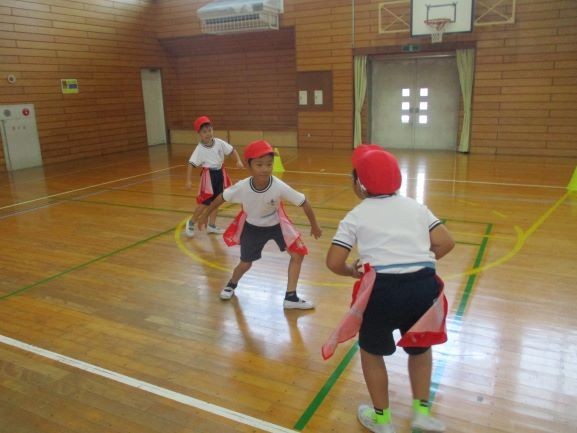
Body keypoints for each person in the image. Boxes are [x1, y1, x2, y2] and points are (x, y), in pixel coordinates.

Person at [325, 144, 455, 433]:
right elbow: (446, 242)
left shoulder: (356, 215)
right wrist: (419, 262)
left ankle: (382, 420)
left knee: (372, 353)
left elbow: (334, 261)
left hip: (380, 292)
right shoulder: (417, 207)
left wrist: (351, 271)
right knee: (421, 350)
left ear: (359, 184)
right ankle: (422, 414)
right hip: (423, 289)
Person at [197, 139, 322, 309]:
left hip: (277, 225)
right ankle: (231, 284)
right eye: (259, 164)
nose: (265, 169)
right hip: (252, 228)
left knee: (297, 255)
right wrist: (205, 214)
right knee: (245, 263)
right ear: (249, 167)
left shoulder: (278, 186)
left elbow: (304, 202)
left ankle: (290, 297)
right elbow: (220, 198)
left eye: (269, 164)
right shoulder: (242, 187)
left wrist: (314, 225)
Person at [184, 115, 244, 238]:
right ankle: (191, 222)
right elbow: (191, 164)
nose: (208, 133)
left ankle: (211, 225)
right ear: (199, 134)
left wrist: (238, 160)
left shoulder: (219, 143)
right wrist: (188, 180)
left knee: (217, 201)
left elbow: (232, 150)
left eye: (210, 130)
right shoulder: (199, 149)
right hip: (208, 176)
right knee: (205, 202)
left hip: (220, 173)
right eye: (204, 132)